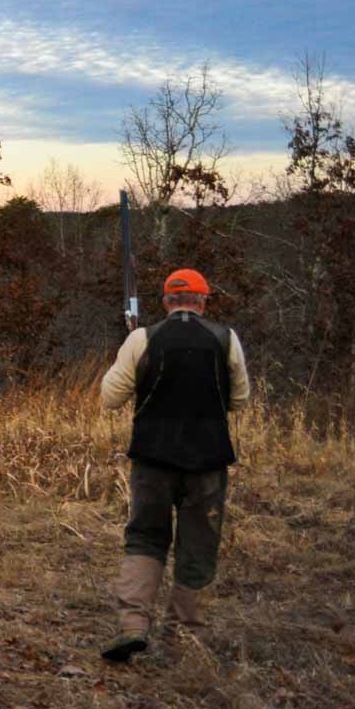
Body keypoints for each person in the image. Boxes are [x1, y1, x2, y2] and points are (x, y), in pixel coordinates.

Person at [99, 269, 250, 661]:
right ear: (203, 301)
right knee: (197, 544)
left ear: (167, 301)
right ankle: (185, 638)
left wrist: (136, 359)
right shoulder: (225, 339)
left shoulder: (143, 338)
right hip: (208, 462)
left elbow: (109, 398)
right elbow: (240, 400)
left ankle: (133, 626)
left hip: (152, 459)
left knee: (146, 538)